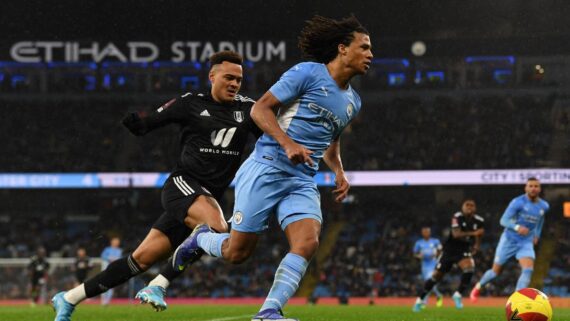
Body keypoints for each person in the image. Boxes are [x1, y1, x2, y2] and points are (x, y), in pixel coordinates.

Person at [173, 15, 372, 321]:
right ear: (343, 49)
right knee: (237, 253)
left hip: (303, 178)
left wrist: (339, 171)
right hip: (267, 167)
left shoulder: (353, 101)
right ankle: (200, 238)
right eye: (364, 47)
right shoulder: (308, 73)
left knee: (307, 242)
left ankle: (269, 312)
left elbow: (331, 139)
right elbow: (259, 109)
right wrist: (288, 144)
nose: (370, 54)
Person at [52, 50, 262, 320]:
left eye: (239, 80)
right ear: (212, 76)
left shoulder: (248, 109)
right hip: (184, 185)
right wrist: (137, 124)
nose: (234, 84)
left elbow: (272, 135)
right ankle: (159, 285)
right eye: (229, 77)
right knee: (217, 229)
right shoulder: (191, 103)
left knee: (140, 259)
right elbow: (149, 123)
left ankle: (68, 298)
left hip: (205, 198)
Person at [470, 177, 549, 301]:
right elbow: (503, 220)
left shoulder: (544, 205)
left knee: (528, 269)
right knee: (495, 272)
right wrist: (517, 227)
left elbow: (541, 219)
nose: (533, 188)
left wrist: (537, 234)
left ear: (540, 189)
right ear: (526, 188)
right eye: (531, 186)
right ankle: (478, 287)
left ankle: (517, 300)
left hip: (526, 242)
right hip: (509, 240)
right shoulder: (517, 202)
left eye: (536, 186)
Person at [413, 199, 484, 312]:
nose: (469, 207)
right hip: (450, 250)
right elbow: (456, 234)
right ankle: (420, 300)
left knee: (469, 268)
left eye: (472, 205)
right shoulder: (457, 217)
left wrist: (477, 245)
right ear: (462, 207)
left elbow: (480, 234)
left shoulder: (479, 220)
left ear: (475, 208)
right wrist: (473, 233)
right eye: (467, 205)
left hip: (463, 250)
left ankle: (458, 294)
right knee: (435, 277)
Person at [413, 226, 443, 308]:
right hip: (424, 265)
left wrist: (436, 255)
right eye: (424, 232)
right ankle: (438, 295)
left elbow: (440, 250)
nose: (426, 233)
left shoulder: (435, 241)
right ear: (422, 233)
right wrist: (419, 256)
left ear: (430, 233)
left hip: (433, 264)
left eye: (427, 231)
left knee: (428, 282)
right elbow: (415, 254)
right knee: (428, 284)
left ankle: (424, 301)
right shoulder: (419, 243)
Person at [100, 237, 123, 305]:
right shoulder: (107, 249)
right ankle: (103, 301)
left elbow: (120, 258)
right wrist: (109, 258)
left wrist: (115, 259)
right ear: (112, 242)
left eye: (117, 242)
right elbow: (103, 256)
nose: (116, 243)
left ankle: (107, 301)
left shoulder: (119, 250)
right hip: (106, 269)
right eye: (115, 241)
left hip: (114, 269)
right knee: (103, 284)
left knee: (111, 286)